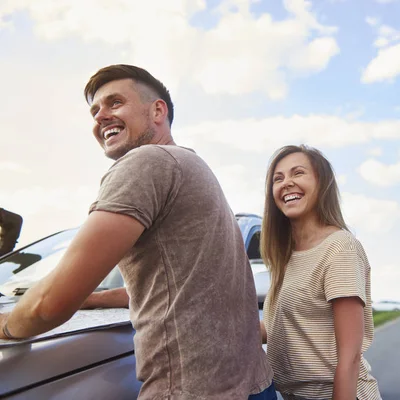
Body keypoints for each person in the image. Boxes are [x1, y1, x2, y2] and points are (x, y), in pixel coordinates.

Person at [0, 64, 275, 400]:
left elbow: (49, 304)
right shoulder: (192, 168)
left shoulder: (147, 162)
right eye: (95, 110)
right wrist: (94, 297)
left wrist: (6, 325)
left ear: (157, 110)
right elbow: (175, 286)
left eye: (114, 103)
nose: (100, 116)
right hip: (254, 385)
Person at [260, 145, 381, 400]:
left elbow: (350, 356)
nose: (287, 183)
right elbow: (284, 329)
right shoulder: (286, 256)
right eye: (278, 179)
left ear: (321, 183)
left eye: (298, 173)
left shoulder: (339, 247)